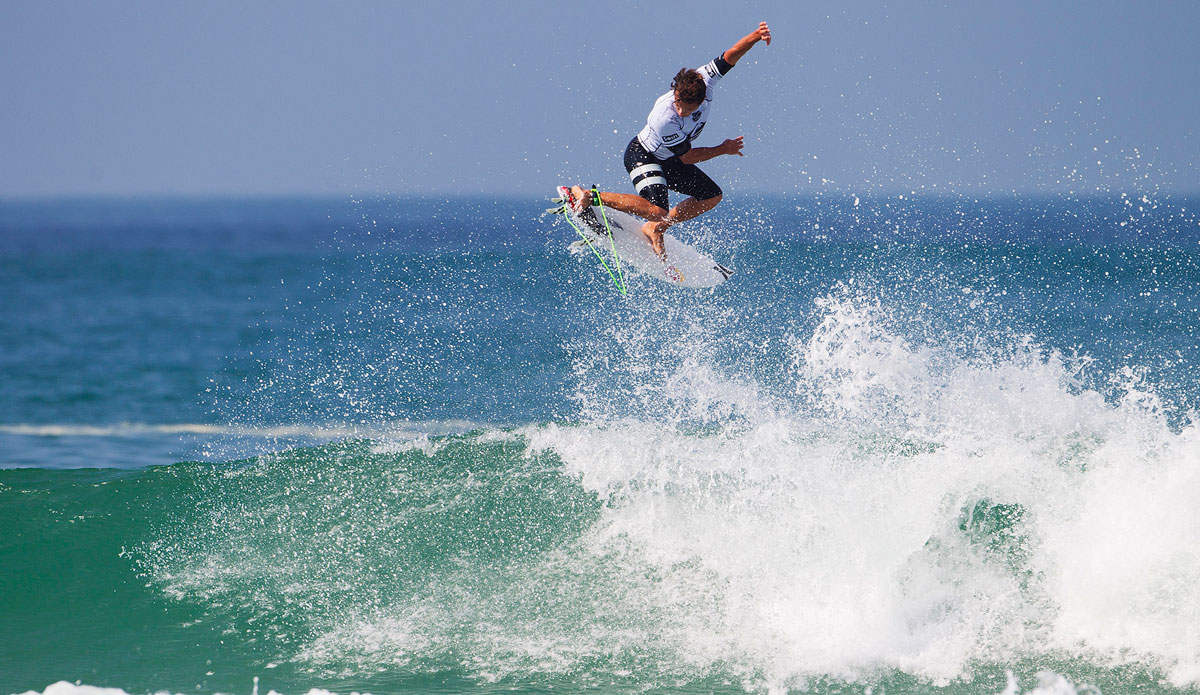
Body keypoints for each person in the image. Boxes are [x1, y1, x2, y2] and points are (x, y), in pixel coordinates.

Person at [560, 21, 771, 258]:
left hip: (669, 159)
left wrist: (755, 36)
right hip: (643, 154)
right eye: (679, 104)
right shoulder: (664, 117)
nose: (681, 112)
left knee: (711, 195)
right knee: (658, 209)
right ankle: (588, 195)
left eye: (688, 109)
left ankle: (656, 228)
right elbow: (689, 157)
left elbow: (730, 57)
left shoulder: (704, 81)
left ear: (701, 101)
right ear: (676, 92)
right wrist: (723, 149)